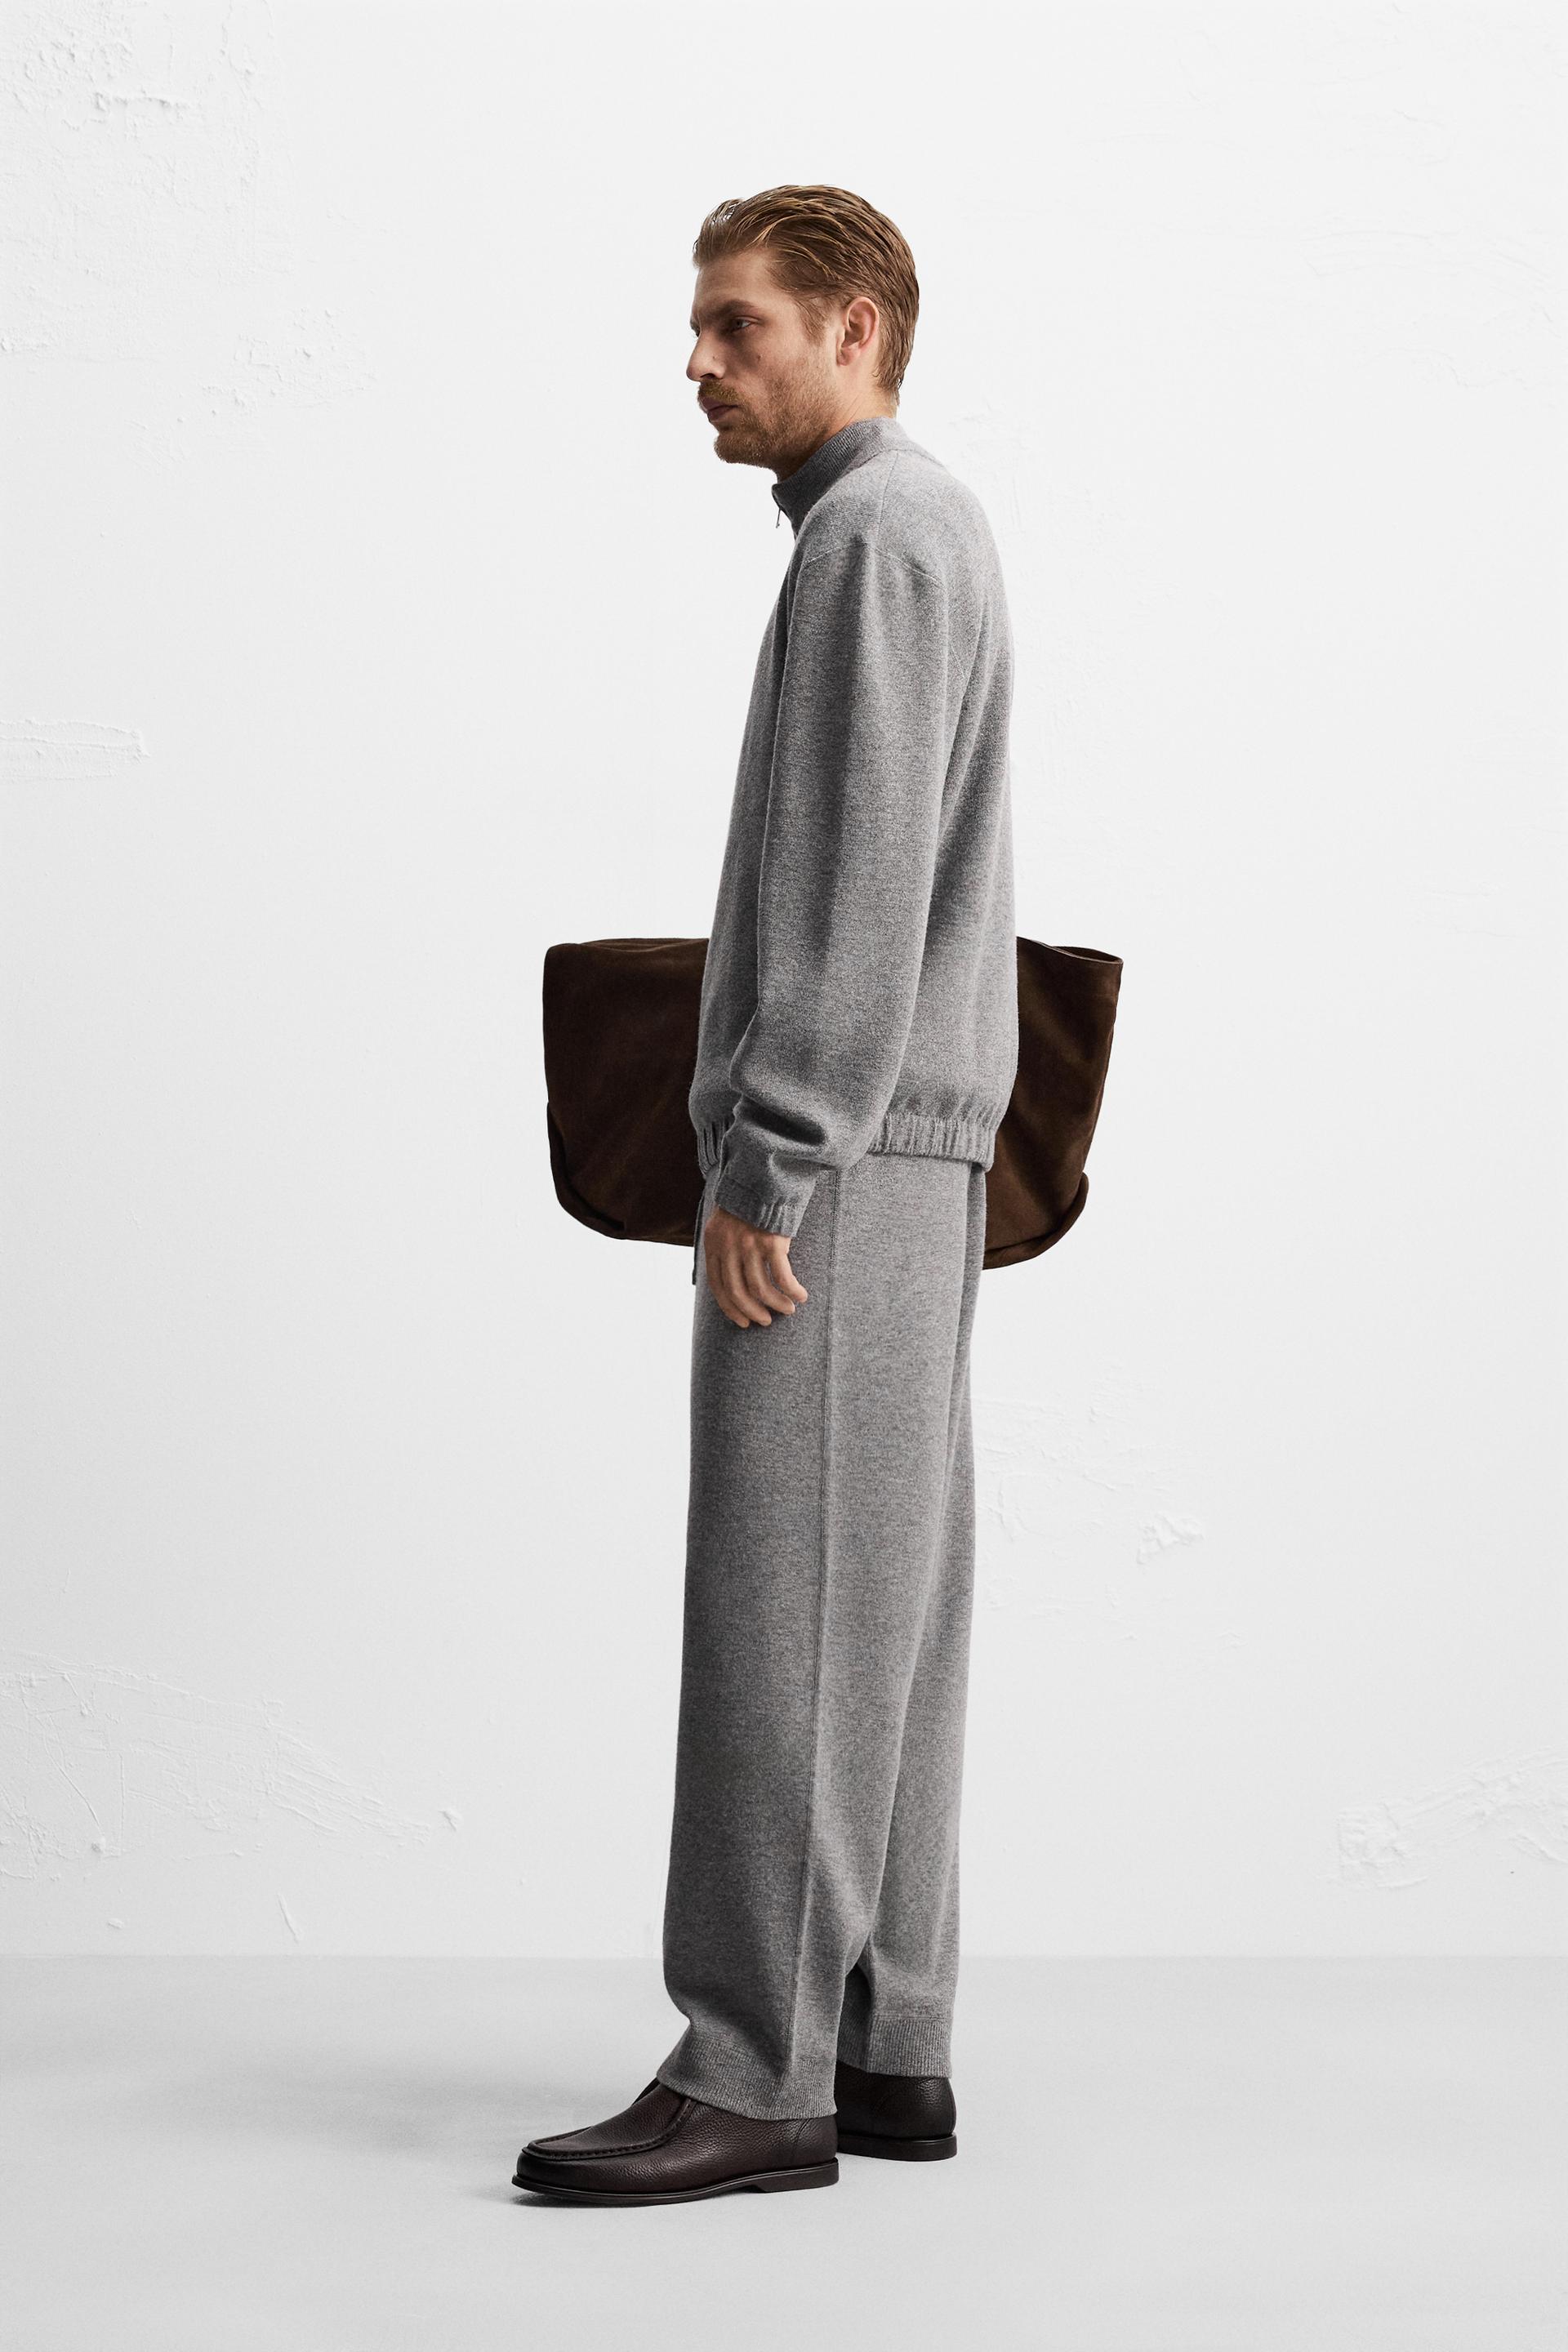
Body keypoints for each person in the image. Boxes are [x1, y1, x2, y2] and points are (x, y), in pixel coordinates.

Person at [514, 185, 1019, 2206]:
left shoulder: (878, 538)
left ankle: (752, 2073)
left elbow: (858, 876)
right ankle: (888, 2047)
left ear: (855, 328)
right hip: (912, 1152)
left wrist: (773, 1151)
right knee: (885, 1607)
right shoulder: (905, 529)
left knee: (784, 1609)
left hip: (844, 1159)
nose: (701, 360)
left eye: (738, 324)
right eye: (702, 324)